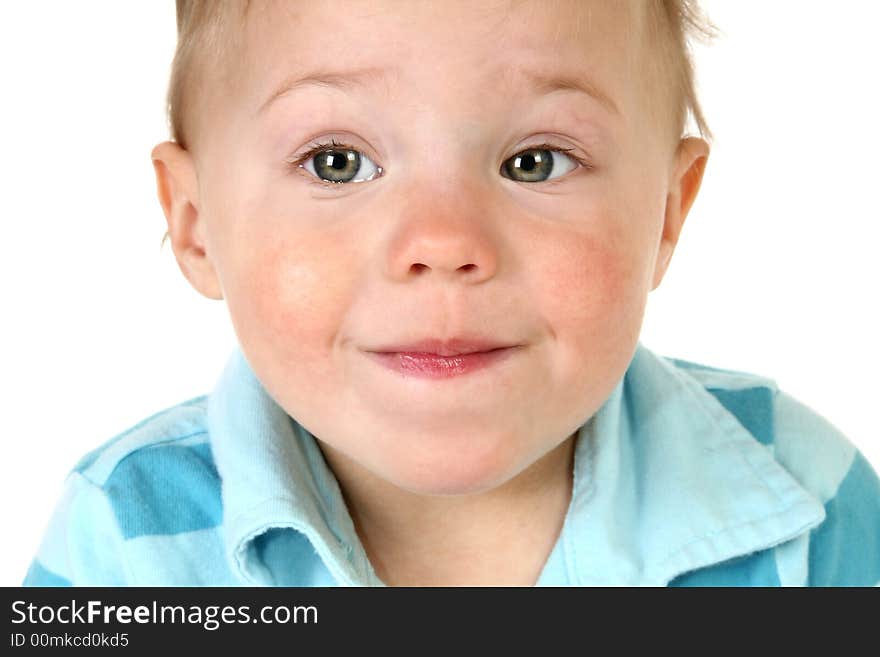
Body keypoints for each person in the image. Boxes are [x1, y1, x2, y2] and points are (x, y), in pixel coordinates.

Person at [23, 0, 880, 587]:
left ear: (665, 211)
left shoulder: (803, 501)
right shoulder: (125, 542)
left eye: (534, 161)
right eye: (337, 162)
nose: (443, 244)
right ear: (196, 221)